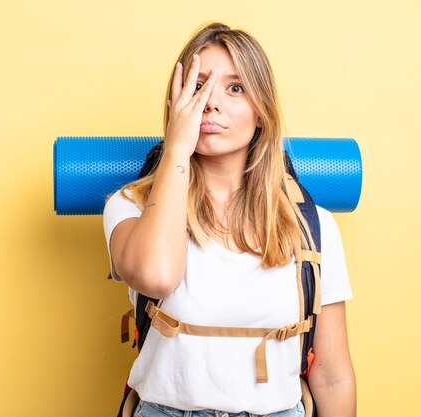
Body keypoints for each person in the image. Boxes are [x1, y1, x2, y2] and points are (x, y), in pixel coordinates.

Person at [103, 22, 356, 417]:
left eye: (235, 88)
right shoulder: (130, 206)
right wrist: (176, 151)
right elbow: (155, 276)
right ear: (175, 102)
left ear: (261, 114)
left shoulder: (314, 226)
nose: (210, 102)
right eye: (198, 86)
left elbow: (333, 374)